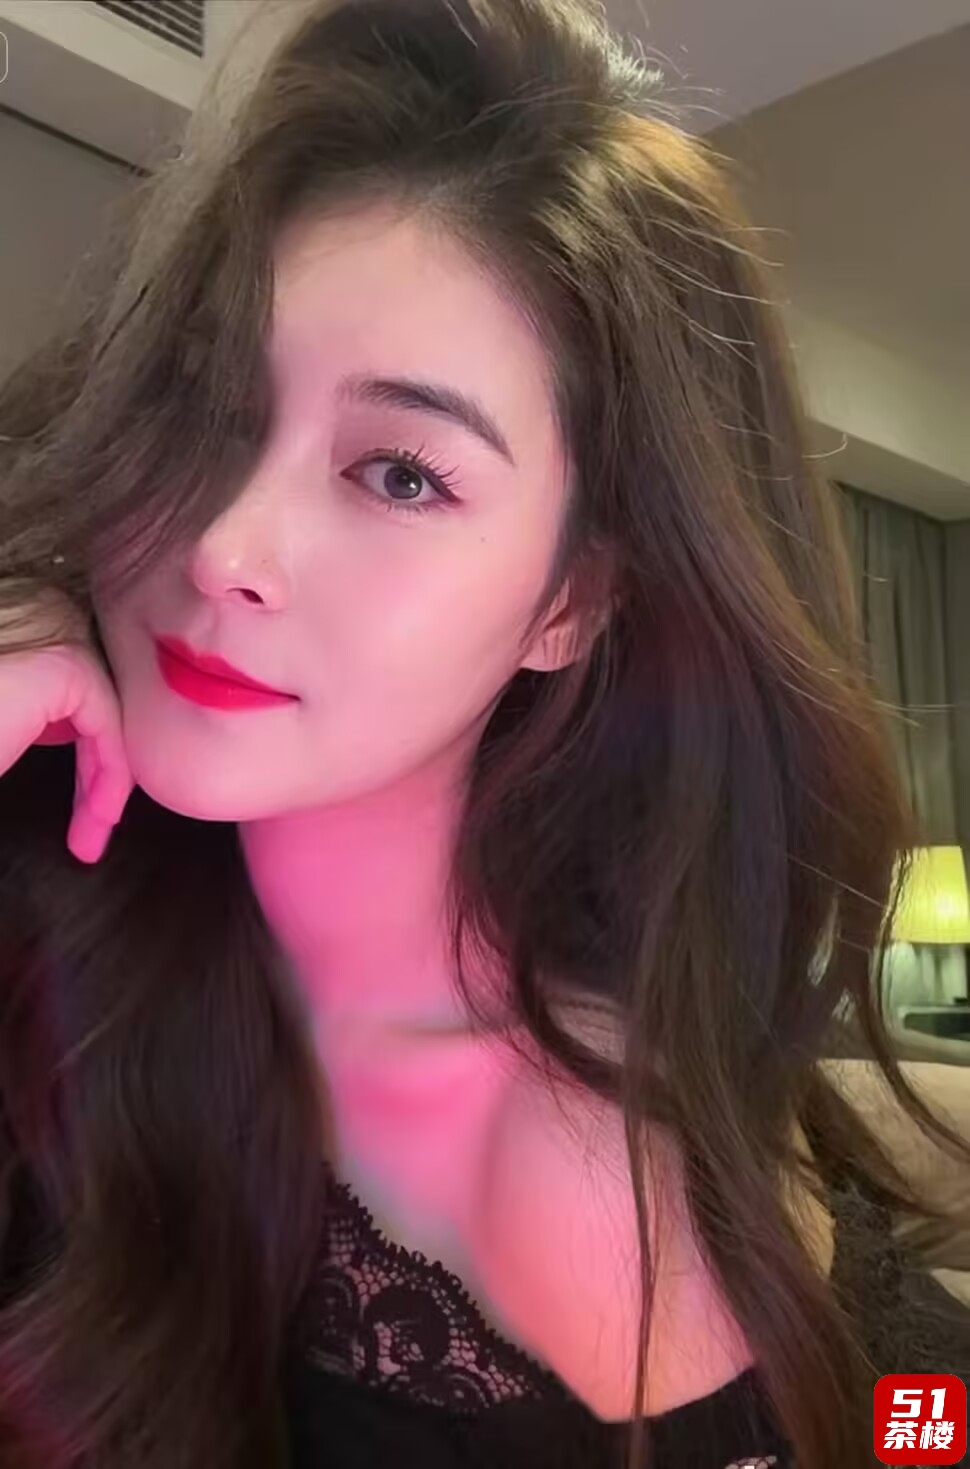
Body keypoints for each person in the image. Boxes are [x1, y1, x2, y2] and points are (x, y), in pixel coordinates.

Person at [0, 0, 967, 1465]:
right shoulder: (62, 934)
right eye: (205, 403)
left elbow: (918, 1419)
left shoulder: (626, 1118)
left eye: (400, 474)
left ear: (569, 602)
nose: (224, 545)